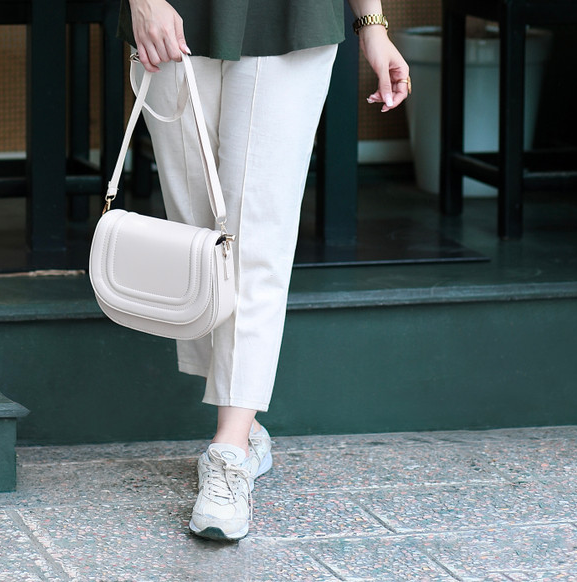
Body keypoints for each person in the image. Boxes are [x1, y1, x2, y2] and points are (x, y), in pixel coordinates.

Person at [118, 0, 410, 541]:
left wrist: (372, 25)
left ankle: (228, 452)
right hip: (172, 13)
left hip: (294, 14)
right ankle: (246, 428)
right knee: (197, 240)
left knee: (257, 234)